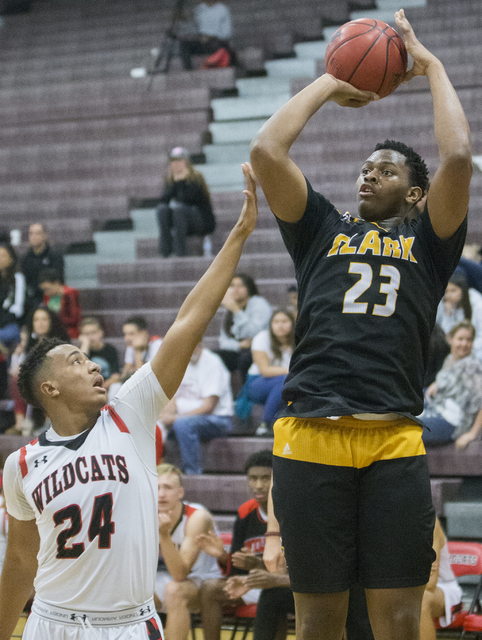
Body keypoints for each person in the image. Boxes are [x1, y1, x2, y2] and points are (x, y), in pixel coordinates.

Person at [250, 9, 472, 640]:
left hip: (393, 440)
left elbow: (456, 156)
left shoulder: (429, 243)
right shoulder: (322, 229)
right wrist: (331, 81)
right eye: (366, 166)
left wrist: (428, 66)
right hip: (310, 434)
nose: (368, 172)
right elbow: (267, 149)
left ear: (415, 196)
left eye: (388, 169)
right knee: (318, 620)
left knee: (397, 621)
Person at [0, 162, 258, 640]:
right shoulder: (21, 465)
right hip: (51, 622)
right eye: (76, 361)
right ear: (48, 389)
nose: (94, 365)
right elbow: (18, 559)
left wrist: (238, 237)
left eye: (89, 359)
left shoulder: (129, 413)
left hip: (128, 625)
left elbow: (187, 322)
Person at [197, 451, 291, 640]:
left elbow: (291, 569)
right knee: (209, 589)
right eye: (253, 478)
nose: (258, 485)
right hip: (252, 583)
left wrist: (256, 564)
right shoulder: (245, 514)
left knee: (271, 591)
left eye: (266, 478)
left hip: (284, 583)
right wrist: (223, 556)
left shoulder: (291, 513)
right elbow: (236, 571)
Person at [154, 464, 222, 640]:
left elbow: (179, 574)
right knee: (126, 590)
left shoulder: (197, 517)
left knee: (174, 590)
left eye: (167, 488)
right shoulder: (145, 514)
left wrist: (164, 536)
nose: (161, 494)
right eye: (156, 488)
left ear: (180, 493)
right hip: (163, 578)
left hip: (203, 581)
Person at [158, 343, 233, 474]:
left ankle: (193, 472)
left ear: (199, 344)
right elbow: (172, 399)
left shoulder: (212, 362)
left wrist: (174, 418)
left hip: (217, 419)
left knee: (182, 424)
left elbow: (209, 406)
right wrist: (162, 416)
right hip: (185, 418)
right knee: (154, 421)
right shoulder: (178, 362)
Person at [422, 321, 482, 448]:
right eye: (460, 339)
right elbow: (451, 379)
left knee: (404, 427)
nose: (464, 344)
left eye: (469, 340)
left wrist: (472, 434)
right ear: (450, 339)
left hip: (451, 422)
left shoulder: (473, 367)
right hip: (437, 409)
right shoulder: (450, 359)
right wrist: (436, 384)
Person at [244, 309, 295, 437]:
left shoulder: (298, 340)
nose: (280, 325)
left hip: (286, 384)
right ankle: (265, 424)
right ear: (271, 324)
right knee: (284, 381)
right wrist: (291, 371)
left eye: (284, 321)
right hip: (257, 383)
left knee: (286, 383)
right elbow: (265, 371)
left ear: (292, 324)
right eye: (276, 322)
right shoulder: (262, 338)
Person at [157, 147, 215, 258]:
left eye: (179, 160)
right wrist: (174, 183)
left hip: (201, 221)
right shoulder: (172, 179)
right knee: (162, 210)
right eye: (173, 161)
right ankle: (165, 252)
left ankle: (180, 252)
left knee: (179, 209)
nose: (175, 164)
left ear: (186, 162)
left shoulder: (196, 178)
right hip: (182, 220)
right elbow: (164, 200)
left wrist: (180, 182)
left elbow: (187, 199)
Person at [217, 274, 271, 384]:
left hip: (259, 350)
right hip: (239, 349)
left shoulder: (259, 304)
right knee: (214, 357)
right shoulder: (230, 309)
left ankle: (246, 395)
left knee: (245, 358)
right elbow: (223, 341)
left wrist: (236, 310)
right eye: (232, 286)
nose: (236, 289)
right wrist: (239, 345)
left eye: (241, 286)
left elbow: (253, 332)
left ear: (249, 288)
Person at [420, 518, 462, 640]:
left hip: (443, 588)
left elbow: (431, 583)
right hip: (406, 587)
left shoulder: (429, 521)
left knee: (419, 600)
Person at [436, 271, 482, 360]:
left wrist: (469, 350)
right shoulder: (444, 303)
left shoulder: (477, 304)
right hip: (453, 349)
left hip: (474, 350)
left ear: (463, 290)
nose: (449, 295)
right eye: (446, 291)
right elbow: (443, 333)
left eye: (453, 291)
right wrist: (447, 315)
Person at [21, 223, 64, 313]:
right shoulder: (25, 259)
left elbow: (58, 280)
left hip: (51, 297)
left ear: (45, 235)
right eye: (31, 233)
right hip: (31, 299)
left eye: (37, 233)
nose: (34, 236)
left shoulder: (55, 256)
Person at [178, 1, 232, 71]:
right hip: (202, 41)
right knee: (184, 44)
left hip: (216, 42)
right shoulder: (200, 8)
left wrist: (210, 37)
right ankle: (189, 70)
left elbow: (226, 33)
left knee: (218, 45)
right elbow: (194, 26)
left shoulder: (223, 9)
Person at [78, 317, 120, 393]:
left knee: (116, 387)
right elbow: (80, 375)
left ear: (100, 333)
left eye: (93, 333)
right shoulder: (81, 351)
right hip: (87, 390)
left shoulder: (110, 349)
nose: (90, 337)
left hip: (107, 388)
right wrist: (85, 344)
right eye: (86, 334)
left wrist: (100, 388)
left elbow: (115, 377)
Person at [38, 267, 81, 339]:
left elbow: (73, 319)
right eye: (43, 290)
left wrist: (53, 321)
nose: (45, 292)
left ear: (56, 283)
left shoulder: (70, 294)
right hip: (51, 329)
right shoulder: (47, 296)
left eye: (47, 289)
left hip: (68, 330)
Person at [0, 242, 25, 351]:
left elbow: (18, 308)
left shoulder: (17, 278)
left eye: (3, 256)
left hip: (10, 323)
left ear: (11, 258)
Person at [121, 315, 163, 381]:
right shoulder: (131, 346)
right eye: (125, 334)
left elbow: (146, 379)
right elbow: (124, 375)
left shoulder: (157, 344)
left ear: (144, 333)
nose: (126, 338)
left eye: (131, 334)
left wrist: (137, 352)